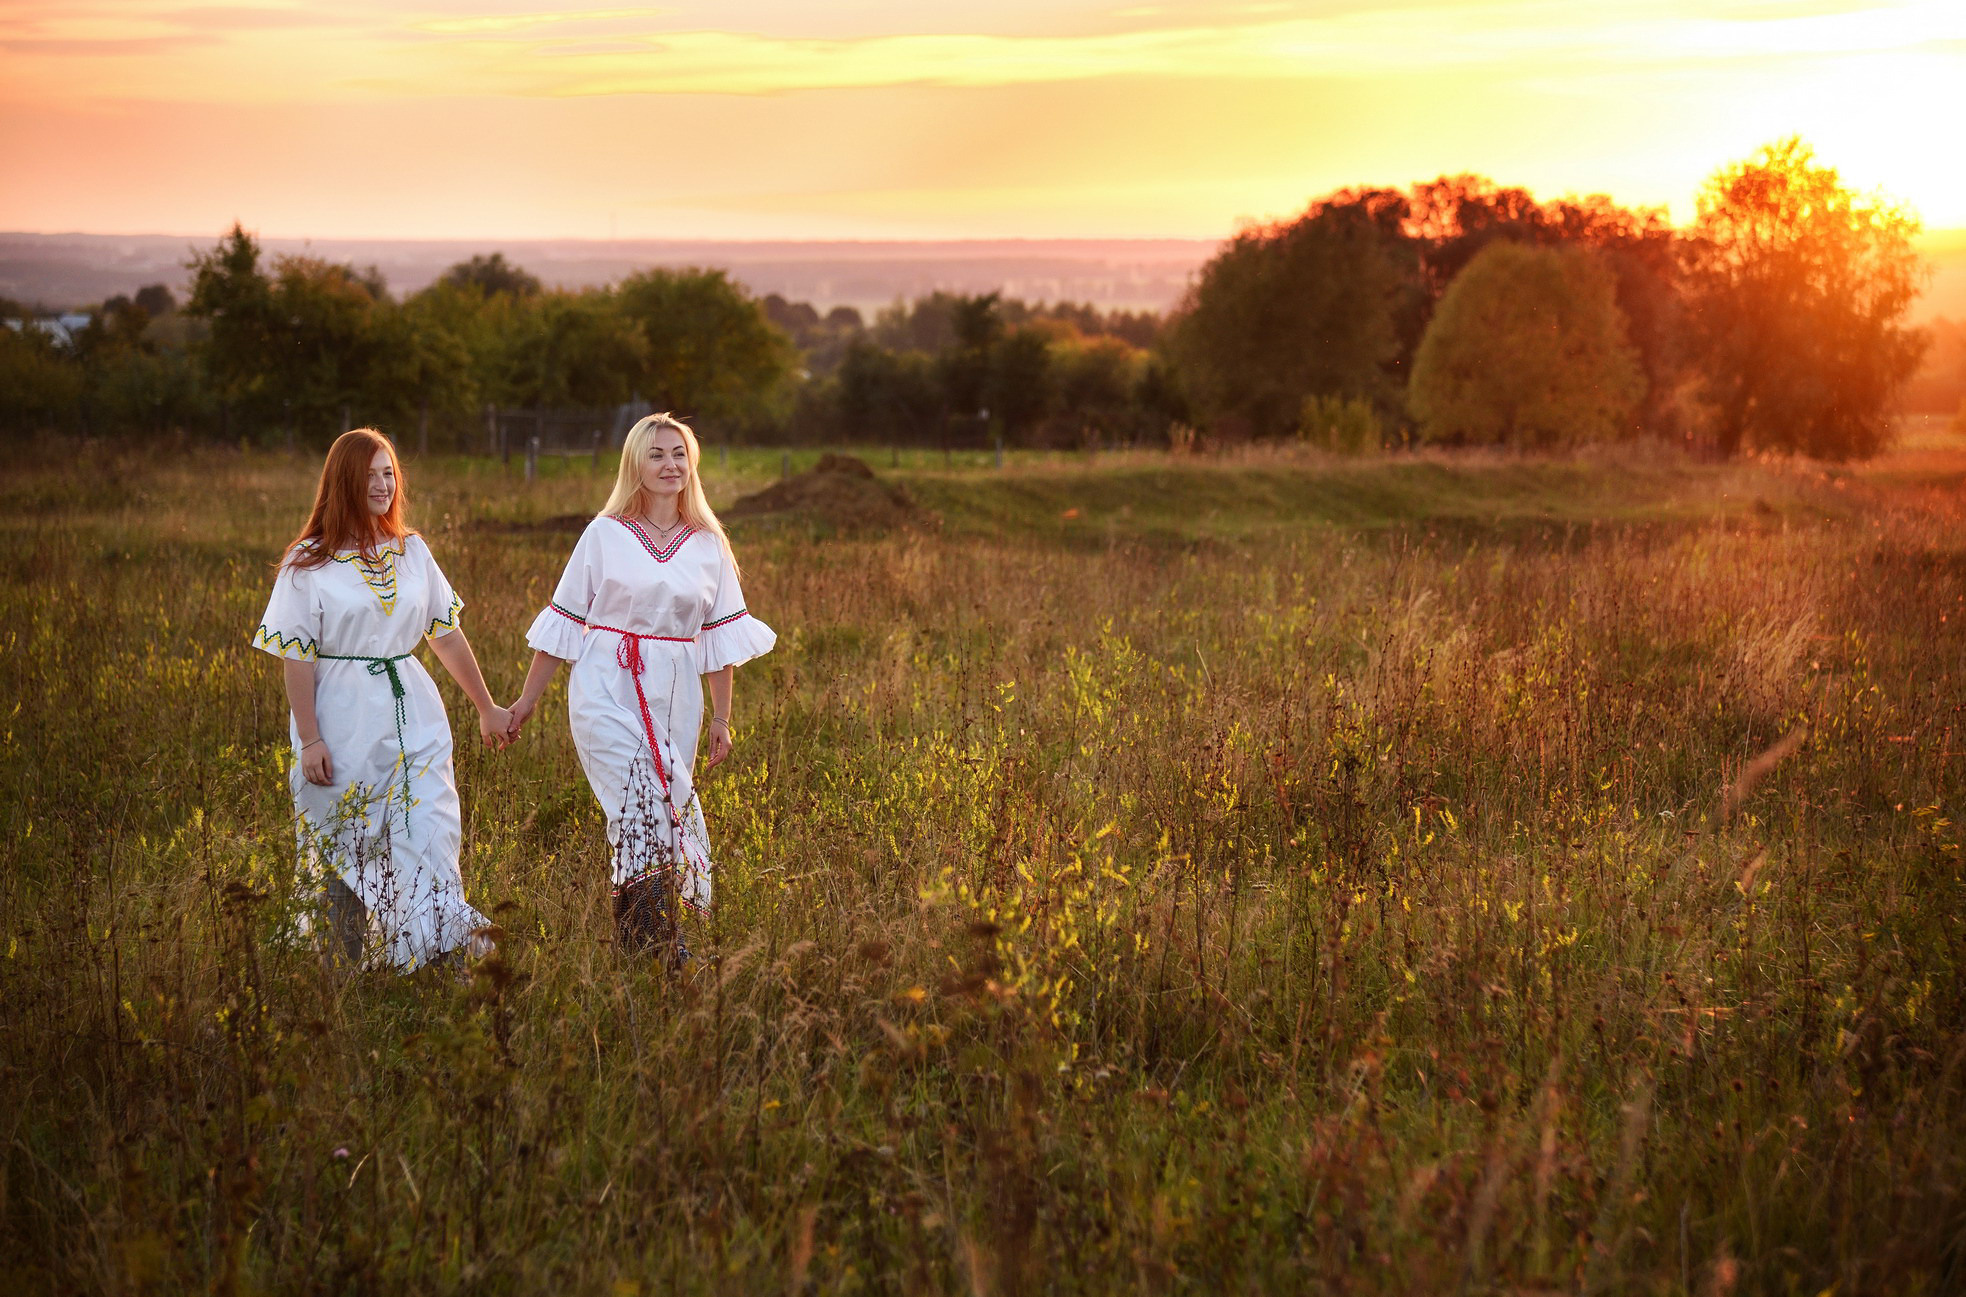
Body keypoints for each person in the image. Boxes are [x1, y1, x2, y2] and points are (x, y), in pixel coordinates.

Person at [507, 413, 774, 961]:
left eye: (678, 453)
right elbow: (562, 621)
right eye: (656, 454)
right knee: (637, 802)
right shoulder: (603, 533)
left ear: (691, 463)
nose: (669, 464)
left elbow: (719, 640)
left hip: (677, 692)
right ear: (635, 463)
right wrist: (526, 703)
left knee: (664, 807)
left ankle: (638, 947)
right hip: (606, 681)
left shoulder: (708, 543)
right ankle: (661, 943)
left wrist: (722, 718)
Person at [253, 428, 510, 971]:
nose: (382, 484)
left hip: (414, 709)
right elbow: (296, 656)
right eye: (369, 475)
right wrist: (311, 738)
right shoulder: (309, 561)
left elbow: (444, 634)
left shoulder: (412, 551)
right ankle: (343, 974)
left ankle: (437, 961)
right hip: (342, 716)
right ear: (343, 481)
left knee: (431, 830)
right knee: (343, 836)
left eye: (389, 472)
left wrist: (486, 707)